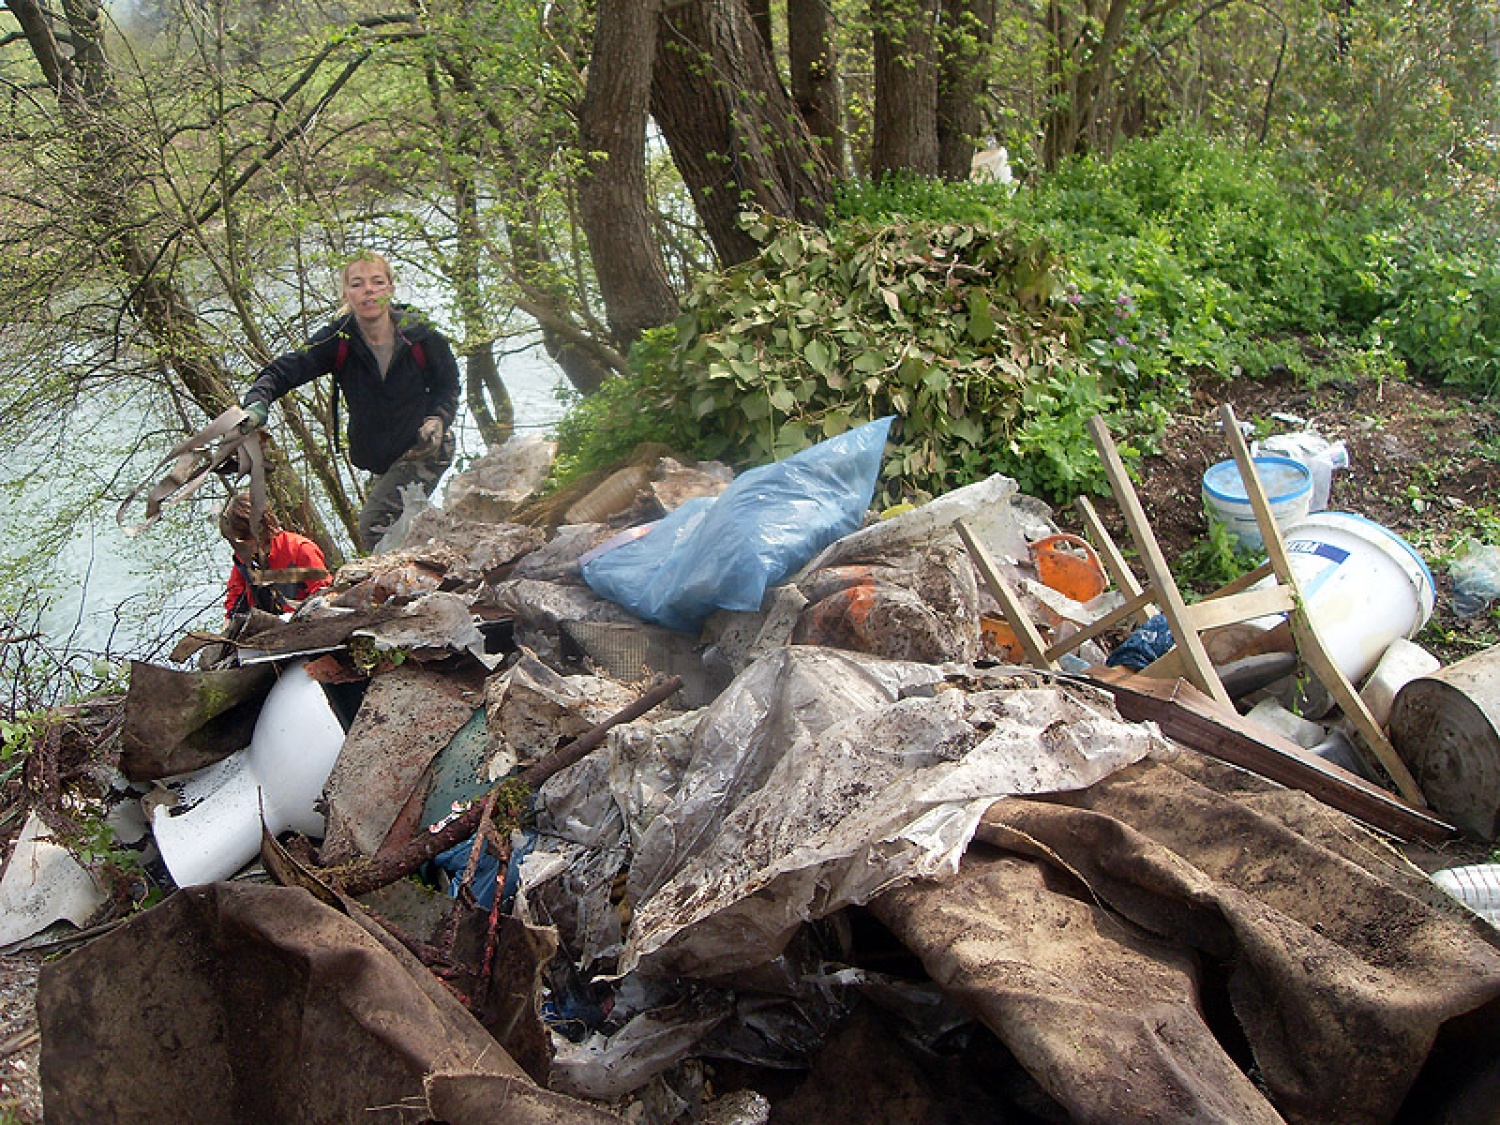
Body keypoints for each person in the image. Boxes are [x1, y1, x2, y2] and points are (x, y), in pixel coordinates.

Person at [238, 252, 461, 551]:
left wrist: (438, 418)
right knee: (401, 526)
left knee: (373, 526)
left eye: (377, 282)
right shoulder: (340, 340)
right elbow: (285, 370)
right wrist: (257, 402)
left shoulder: (419, 334)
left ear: (391, 289)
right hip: (384, 459)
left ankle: (411, 584)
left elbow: (448, 384)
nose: (368, 290)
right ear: (346, 293)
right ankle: (436, 568)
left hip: (424, 448)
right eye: (358, 284)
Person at [221, 492, 332, 619]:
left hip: (305, 623)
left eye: (247, 537)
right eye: (239, 540)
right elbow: (234, 603)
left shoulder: (300, 548)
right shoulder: (243, 560)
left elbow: (324, 593)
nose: (245, 545)